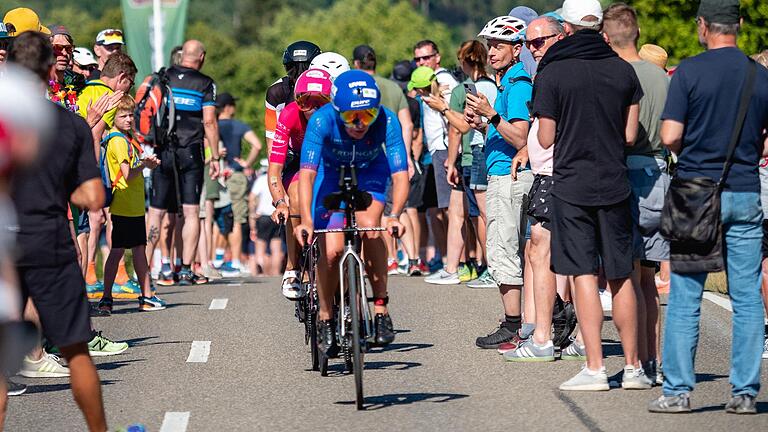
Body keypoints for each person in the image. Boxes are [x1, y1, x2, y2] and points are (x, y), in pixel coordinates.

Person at [649, 0, 768, 414]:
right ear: (738, 25)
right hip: (745, 191)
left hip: (695, 193)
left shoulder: (690, 72)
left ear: (703, 26)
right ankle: (744, 393)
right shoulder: (760, 75)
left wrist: (695, 149)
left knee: (685, 295)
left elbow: (669, 135)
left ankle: (678, 392)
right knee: (747, 296)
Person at [531, 0, 649, 391]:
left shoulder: (553, 73)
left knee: (583, 273)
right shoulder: (623, 71)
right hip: (615, 180)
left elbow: (546, 137)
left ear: (565, 29)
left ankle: (596, 368)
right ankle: (634, 368)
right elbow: (630, 135)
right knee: (621, 275)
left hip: (572, 183)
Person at [8, 31, 107, 431]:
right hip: (48, 234)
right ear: (51, 71)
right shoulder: (70, 124)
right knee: (76, 351)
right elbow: (93, 195)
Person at [294, 70, 408, 355]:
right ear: (336, 111)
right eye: (351, 117)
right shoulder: (321, 121)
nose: (360, 124)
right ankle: (325, 317)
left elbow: (401, 175)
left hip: (370, 173)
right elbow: (306, 176)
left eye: (368, 115)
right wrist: (306, 220)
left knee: (370, 228)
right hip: (330, 176)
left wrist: (395, 214)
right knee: (331, 250)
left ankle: (381, 308)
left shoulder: (387, 120)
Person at [603, 2, 670, 383]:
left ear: (607, 37)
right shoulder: (663, 78)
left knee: (625, 277)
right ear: (639, 34)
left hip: (623, 171)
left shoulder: (615, 75)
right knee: (648, 278)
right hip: (659, 172)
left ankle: (635, 362)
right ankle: (654, 360)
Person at [503, 15, 571, 362]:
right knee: (554, 250)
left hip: (557, 173)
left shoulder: (552, 73)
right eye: (528, 43)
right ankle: (552, 330)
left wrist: (536, 144)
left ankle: (544, 334)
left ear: (562, 36)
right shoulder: (559, 68)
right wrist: (529, 148)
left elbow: (549, 131)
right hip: (556, 169)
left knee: (541, 250)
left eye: (538, 42)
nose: (532, 49)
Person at [464, 15, 533, 350]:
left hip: (510, 176)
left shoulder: (519, 85)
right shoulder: (509, 83)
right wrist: (483, 124)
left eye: (500, 45)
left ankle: (514, 325)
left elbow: (521, 136)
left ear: (516, 50)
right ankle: (521, 323)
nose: (492, 51)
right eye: (490, 44)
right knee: (512, 249)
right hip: (503, 171)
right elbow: (507, 132)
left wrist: (491, 115)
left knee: (504, 250)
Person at [419, 40, 497, 285]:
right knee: (471, 214)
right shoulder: (495, 85)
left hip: (474, 153)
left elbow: (459, 128)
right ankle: (464, 266)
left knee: (479, 215)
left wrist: (443, 107)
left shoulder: (465, 89)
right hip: (490, 150)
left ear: (464, 61)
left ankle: (489, 268)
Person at [146, 40, 221, 286]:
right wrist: (216, 157)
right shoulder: (205, 83)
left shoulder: (162, 77)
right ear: (201, 57)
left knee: (156, 213)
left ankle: (147, 269)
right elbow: (209, 122)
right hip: (191, 151)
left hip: (162, 151)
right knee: (190, 213)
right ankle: (187, 269)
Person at [352, 44, 417, 275]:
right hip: (394, 152)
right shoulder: (391, 87)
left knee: (372, 213)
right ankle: (412, 258)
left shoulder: (356, 89)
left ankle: (389, 259)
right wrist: (407, 155)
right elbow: (407, 124)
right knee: (398, 211)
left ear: (356, 64)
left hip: (367, 157)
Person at [268, 68, 333, 299]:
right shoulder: (288, 114)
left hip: (327, 163)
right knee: (294, 198)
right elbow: (275, 169)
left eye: (320, 102)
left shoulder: (335, 115)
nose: (313, 109)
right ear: (297, 101)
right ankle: (292, 268)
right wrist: (279, 202)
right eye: (306, 102)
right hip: (297, 164)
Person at [76, 52, 136, 299]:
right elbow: (95, 136)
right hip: (81, 168)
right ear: (122, 77)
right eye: (129, 83)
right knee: (85, 228)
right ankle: (84, 287)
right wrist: (93, 179)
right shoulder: (108, 97)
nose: (128, 89)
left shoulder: (85, 89)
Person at [97, 95, 164, 314]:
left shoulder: (126, 139)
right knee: (123, 252)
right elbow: (126, 175)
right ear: (113, 118)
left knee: (132, 251)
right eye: (123, 116)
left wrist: (146, 164)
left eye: (130, 116)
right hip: (125, 205)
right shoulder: (118, 141)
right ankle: (138, 296)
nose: (128, 120)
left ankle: (124, 297)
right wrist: (144, 166)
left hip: (131, 205)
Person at [413, 40, 459, 273]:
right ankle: (450, 260)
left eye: (426, 57)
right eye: (418, 59)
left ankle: (459, 262)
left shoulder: (444, 81)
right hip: (436, 152)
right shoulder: (425, 82)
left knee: (452, 210)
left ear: (437, 57)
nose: (422, 62)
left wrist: (450, 156)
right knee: (440, 211)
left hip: (444, 151)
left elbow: (453, 120)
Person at [217, 92, 262, 276]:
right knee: (236, 218)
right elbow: (257, 145)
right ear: (228, 107)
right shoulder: (238, 126)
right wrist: (248, 163)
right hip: (235, 174)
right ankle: (234, 261)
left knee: (217, 218)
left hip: (217, 173)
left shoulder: (212, 126)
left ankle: (217, 258)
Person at [265, 41, 321, 149]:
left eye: (305, 68)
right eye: (292, 70)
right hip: (292, 150)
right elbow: (272, 140)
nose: (299, 74)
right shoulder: (276, 92)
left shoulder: (329, 87)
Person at [250, 172, 283, 276]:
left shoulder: (261, 179)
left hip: (263, 216)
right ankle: (275, 273)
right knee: (276, 247)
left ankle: (262, 273)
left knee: (260, 246)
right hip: (277, 215)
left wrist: (252, 213)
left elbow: (251, 197)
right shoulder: (279, 179)